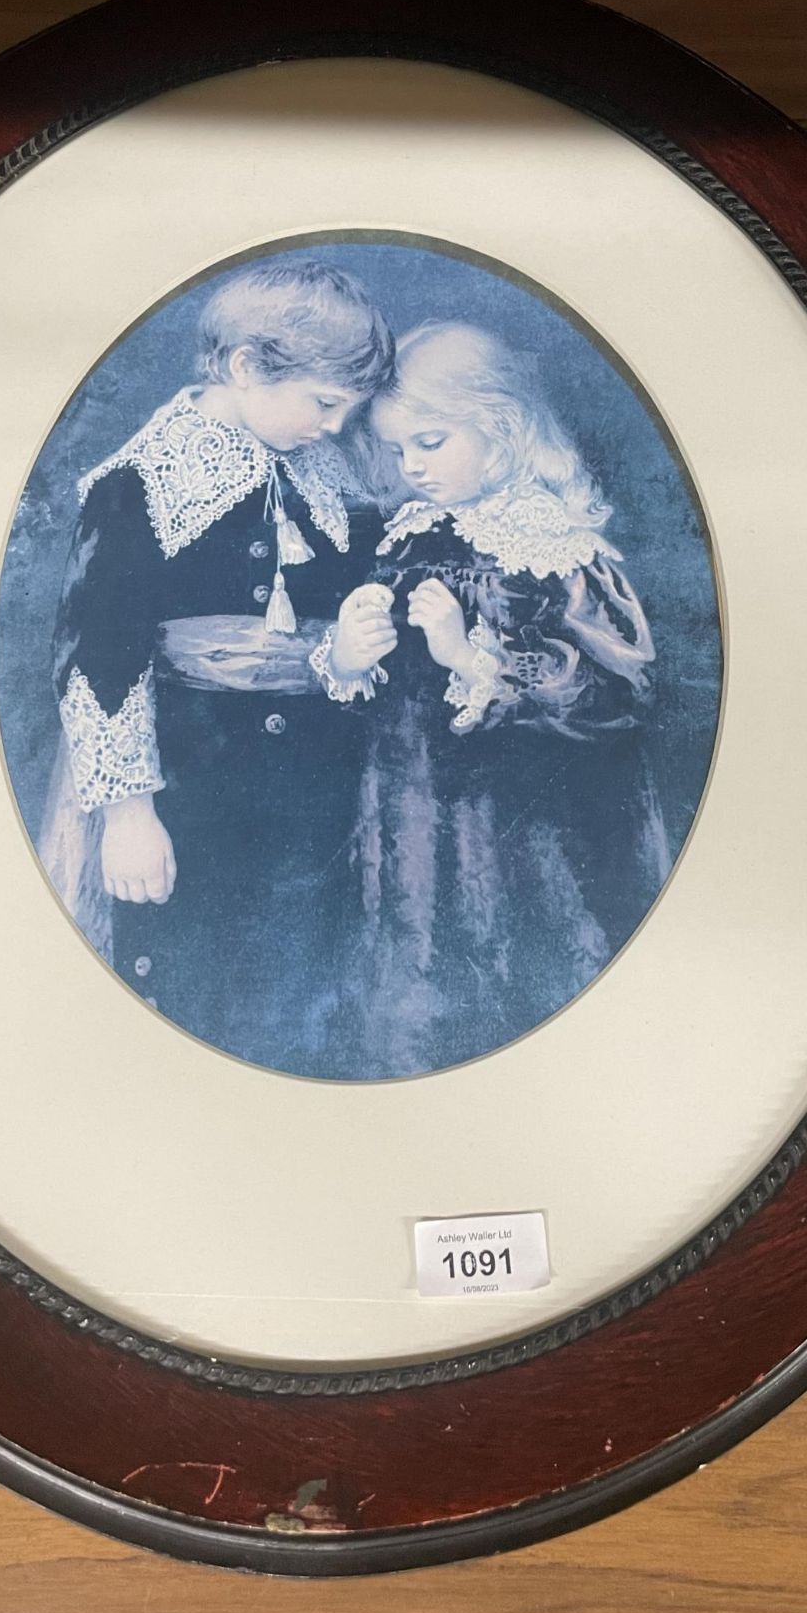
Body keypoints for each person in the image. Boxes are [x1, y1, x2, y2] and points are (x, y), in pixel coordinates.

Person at [39, 256, 397, 1073]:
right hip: (191, 794)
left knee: (308, 994)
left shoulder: (326, 477)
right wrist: (129, 815)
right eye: (325, 402)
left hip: (316, 793)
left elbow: (352, 606)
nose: (336, 427)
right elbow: (98, 653)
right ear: (244, 368)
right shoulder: (138, 484)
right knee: (198, 992)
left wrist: (344, 650)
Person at [312, 321, 666, 1077]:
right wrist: (348, 654)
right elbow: (379, 697)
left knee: (523, 1002)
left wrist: (474, 658)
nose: (413, 469)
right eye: (400, 450)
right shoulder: (410, 537)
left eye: (431, 443)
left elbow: (623, 691)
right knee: (410, 1005)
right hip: (409, 831)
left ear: (503, 427)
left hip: (524, 835)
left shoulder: (554, 547)